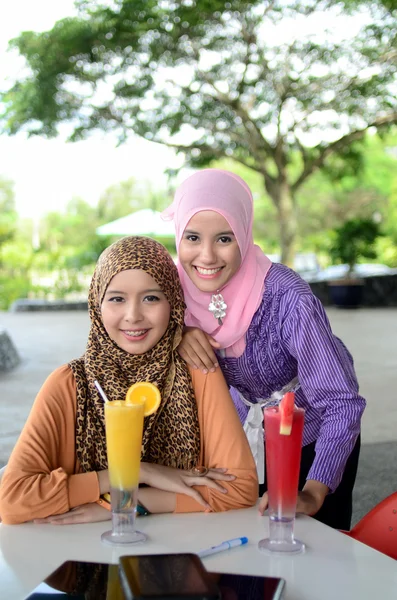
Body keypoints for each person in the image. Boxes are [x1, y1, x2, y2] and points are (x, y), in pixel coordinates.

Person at [0, 236, 258, 525]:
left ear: (173, 302)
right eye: (116, 299)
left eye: (151, 298)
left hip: (182, 556)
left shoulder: (198, 373)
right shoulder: (69, 385)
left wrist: (127, 501)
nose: (133, 316)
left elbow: (240, 489)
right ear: (97, 306)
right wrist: (135, 473)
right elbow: (12, 500)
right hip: (84, 560)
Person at [161, 168, 366, 530]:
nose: (206, 256)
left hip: (316, 437)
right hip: (248, 433)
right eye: (192, 237)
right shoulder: (173, 292)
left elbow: (340, 402)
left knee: (314, 551)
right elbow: (130, 325)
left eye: (224, 238)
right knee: (253, 542)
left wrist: (314, 492)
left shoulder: (288, 299)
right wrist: (176, 333)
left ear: (243, 232)